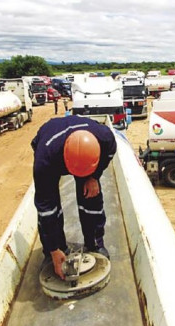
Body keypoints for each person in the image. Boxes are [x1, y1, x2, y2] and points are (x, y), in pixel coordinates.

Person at [31, 115, 117, 279]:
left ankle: (95, 243)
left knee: (91, 199)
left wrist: (93, 177)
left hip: (85, 157)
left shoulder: (105, 138)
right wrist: (53, 248)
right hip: (52, 147)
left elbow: (109, 154)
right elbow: (45, 209)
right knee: (51, 210)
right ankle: (56, 252)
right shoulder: (44, 161)